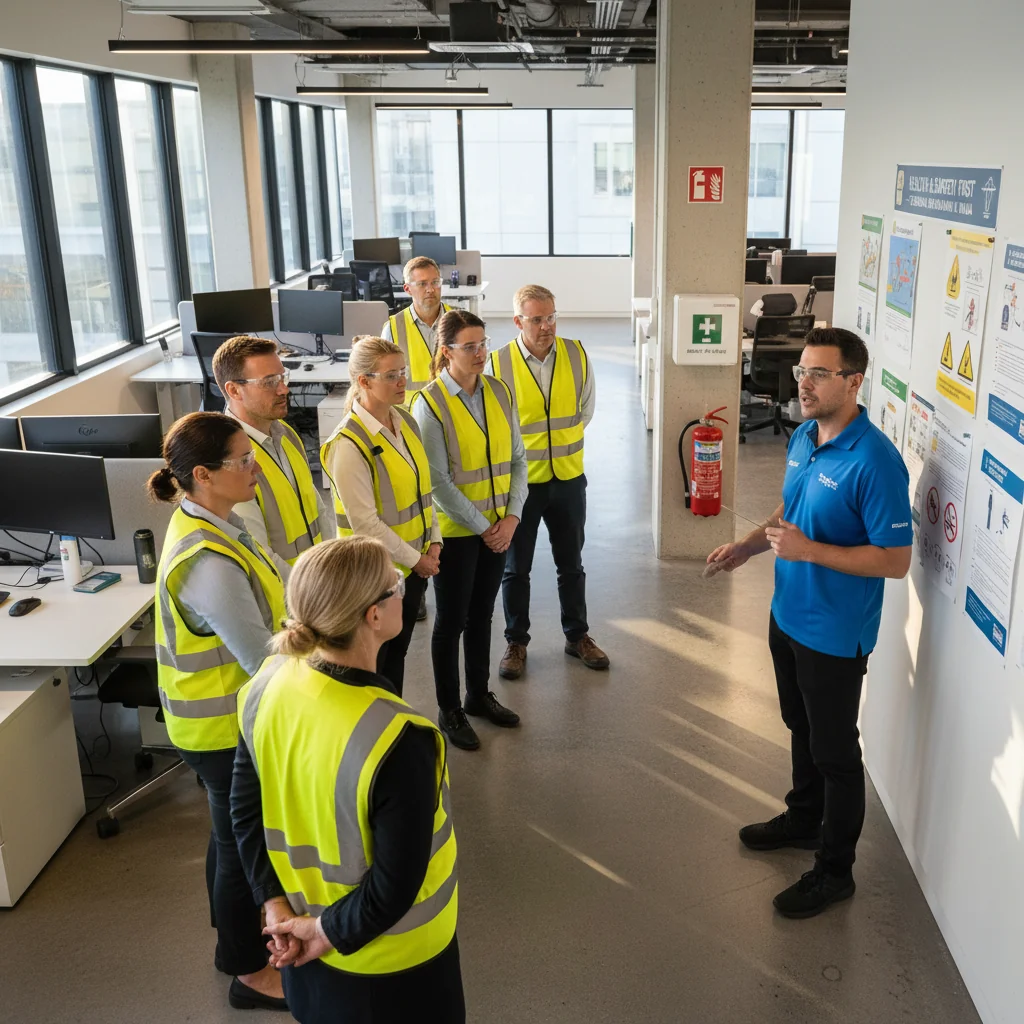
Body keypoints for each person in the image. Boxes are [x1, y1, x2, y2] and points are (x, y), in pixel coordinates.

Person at [705, 327, 912, 919]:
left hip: (834, 633)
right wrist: (749, 546)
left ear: (854, 381)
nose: (804, 382)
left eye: (819, 373)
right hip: (787, 614)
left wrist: (809, 552)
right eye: (802, 370)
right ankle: (802, 818)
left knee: (837, 754)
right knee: (799, 724)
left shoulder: (875, 462)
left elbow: (895, 562)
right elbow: (790, 509)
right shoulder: (803, 436)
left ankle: (834, 871)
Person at [230, 537, 464, 1024]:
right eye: (395, 583)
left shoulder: (265, 686)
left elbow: (245, 815)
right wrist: (322, 932)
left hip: (300, 950)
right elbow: (394, 887)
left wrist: (274, 907)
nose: (403, 589)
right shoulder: (401, 738)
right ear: (373, 617)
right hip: (396, 967)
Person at [148, 411, 289, 1012]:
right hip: (220, 727)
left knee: (226, 835)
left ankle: (228, 939)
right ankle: (247, 971)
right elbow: (259, 654)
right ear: (203, 475)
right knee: (239, 846)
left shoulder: (218, 522)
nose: (254, 466)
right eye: (242, 460)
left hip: (215, 721)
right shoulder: (204, 560)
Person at [412, 309, 526, 751]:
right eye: (470, 347)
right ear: (446, 352)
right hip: (459, 534)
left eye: (484, 344)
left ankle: (477, 695)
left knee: (482, 615)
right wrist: (485, 528)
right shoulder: (430, 404)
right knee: (451, 621)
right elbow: (438, 482)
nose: (481, 354)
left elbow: (518, 458)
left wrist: (512, 517)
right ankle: (449, 708)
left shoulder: (498, 390)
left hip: (500, 526)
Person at [488, 284, 609, 680]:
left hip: (569, 478)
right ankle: (515, 643)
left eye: (551, 316)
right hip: (521, 485)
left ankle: (578, 636)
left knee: (571, 564)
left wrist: (561, 447)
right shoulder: (497, 364)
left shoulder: (576, 354)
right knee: (515, 568)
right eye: (537, 319)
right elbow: (493, 424)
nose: (546, 326)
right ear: (518, 321)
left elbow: (585, 409)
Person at [320, 337, 441, 695]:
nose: (402, 381)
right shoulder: (348, 444)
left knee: (397, 658)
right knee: (377, 669)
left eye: (403, 372)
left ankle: (395, 730)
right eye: (391, 375)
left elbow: (424, 491)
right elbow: (365, 524)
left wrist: (434, 541)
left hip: (413, 568)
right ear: (364, 381)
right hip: (376, 578)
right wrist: (417, 559)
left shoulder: (405, 421)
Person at [213, 335, 327, 571]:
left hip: (316, 584)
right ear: (234, 390)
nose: (284, 389)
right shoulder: (229, 463)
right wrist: (316, 589)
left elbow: (317, 507)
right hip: (287, 596)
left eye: (282, 377)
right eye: (269, 382)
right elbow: (260, 555)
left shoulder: (286, 434)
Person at [380, 256, 454, 395]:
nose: (430, 289)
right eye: (422, 284)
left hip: (453, 407)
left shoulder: (459, 321)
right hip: (411, 412)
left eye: (435, 282)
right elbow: (385, 379)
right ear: (408, 289)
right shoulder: (393, 328)